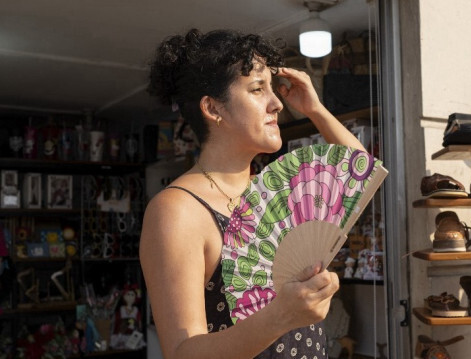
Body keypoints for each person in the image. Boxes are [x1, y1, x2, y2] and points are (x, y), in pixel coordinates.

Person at [140, 28, 366, 359]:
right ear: (213, 108)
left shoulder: (270, 193)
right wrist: (283, 315)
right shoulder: (177, 211)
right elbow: (182, 352)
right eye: (258, 89)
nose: (276, 104)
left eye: (273, 89)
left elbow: (360, 173)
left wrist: (315, 109)